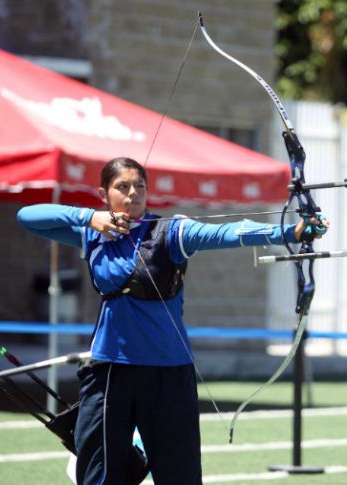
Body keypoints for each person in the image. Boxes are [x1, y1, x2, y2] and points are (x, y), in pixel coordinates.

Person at [17, 157, 329, 485]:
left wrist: (291, 231)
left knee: (179, 475)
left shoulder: (171, 232)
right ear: (103, 194)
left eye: (140, 186)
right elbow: (28, 217)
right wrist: (90, 217)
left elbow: (228, 232)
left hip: (168, 372)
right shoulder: (92, 233)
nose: (133, 193)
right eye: (122, 187)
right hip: (109, 370)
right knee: (98, 474)